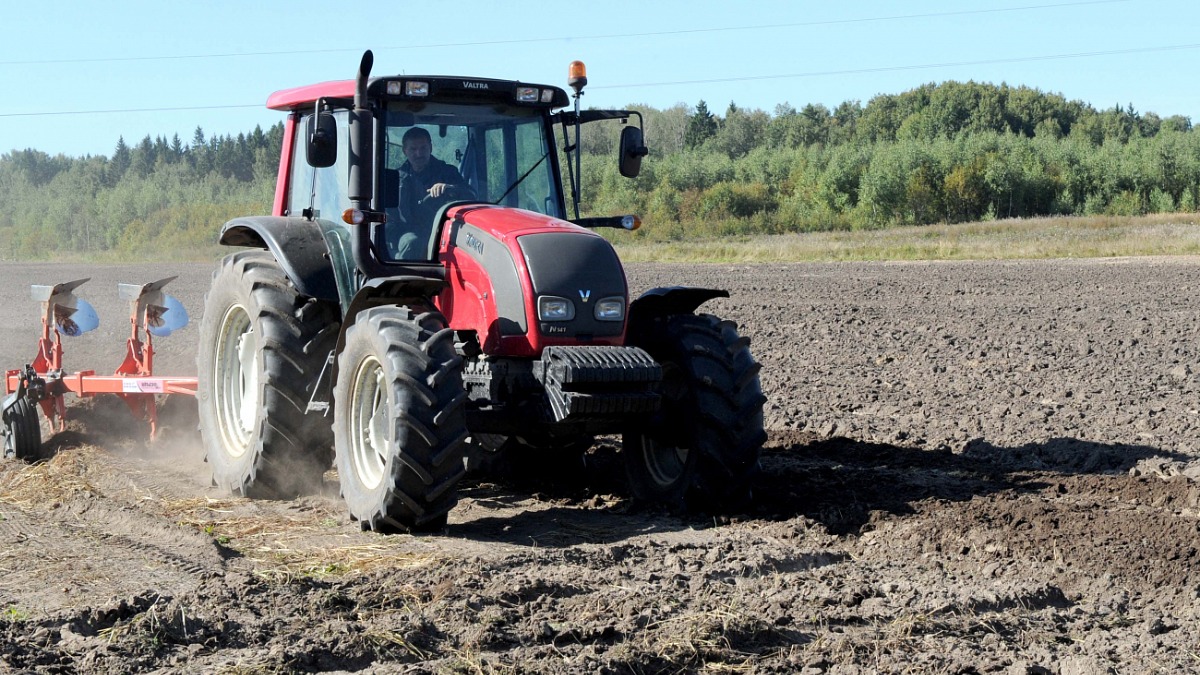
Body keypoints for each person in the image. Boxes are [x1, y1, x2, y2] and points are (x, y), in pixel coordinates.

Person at [391, 127, 472, 259]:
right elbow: (387, 215)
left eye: (423, 148)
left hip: (444, 232)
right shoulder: (396, 179)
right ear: (404, 151)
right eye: (413, 149)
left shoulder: (448, 173)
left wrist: (449, 189)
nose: (418, 153)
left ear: (431, 147)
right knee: (412, 243)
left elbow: (471, 196)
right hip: (406, 232)